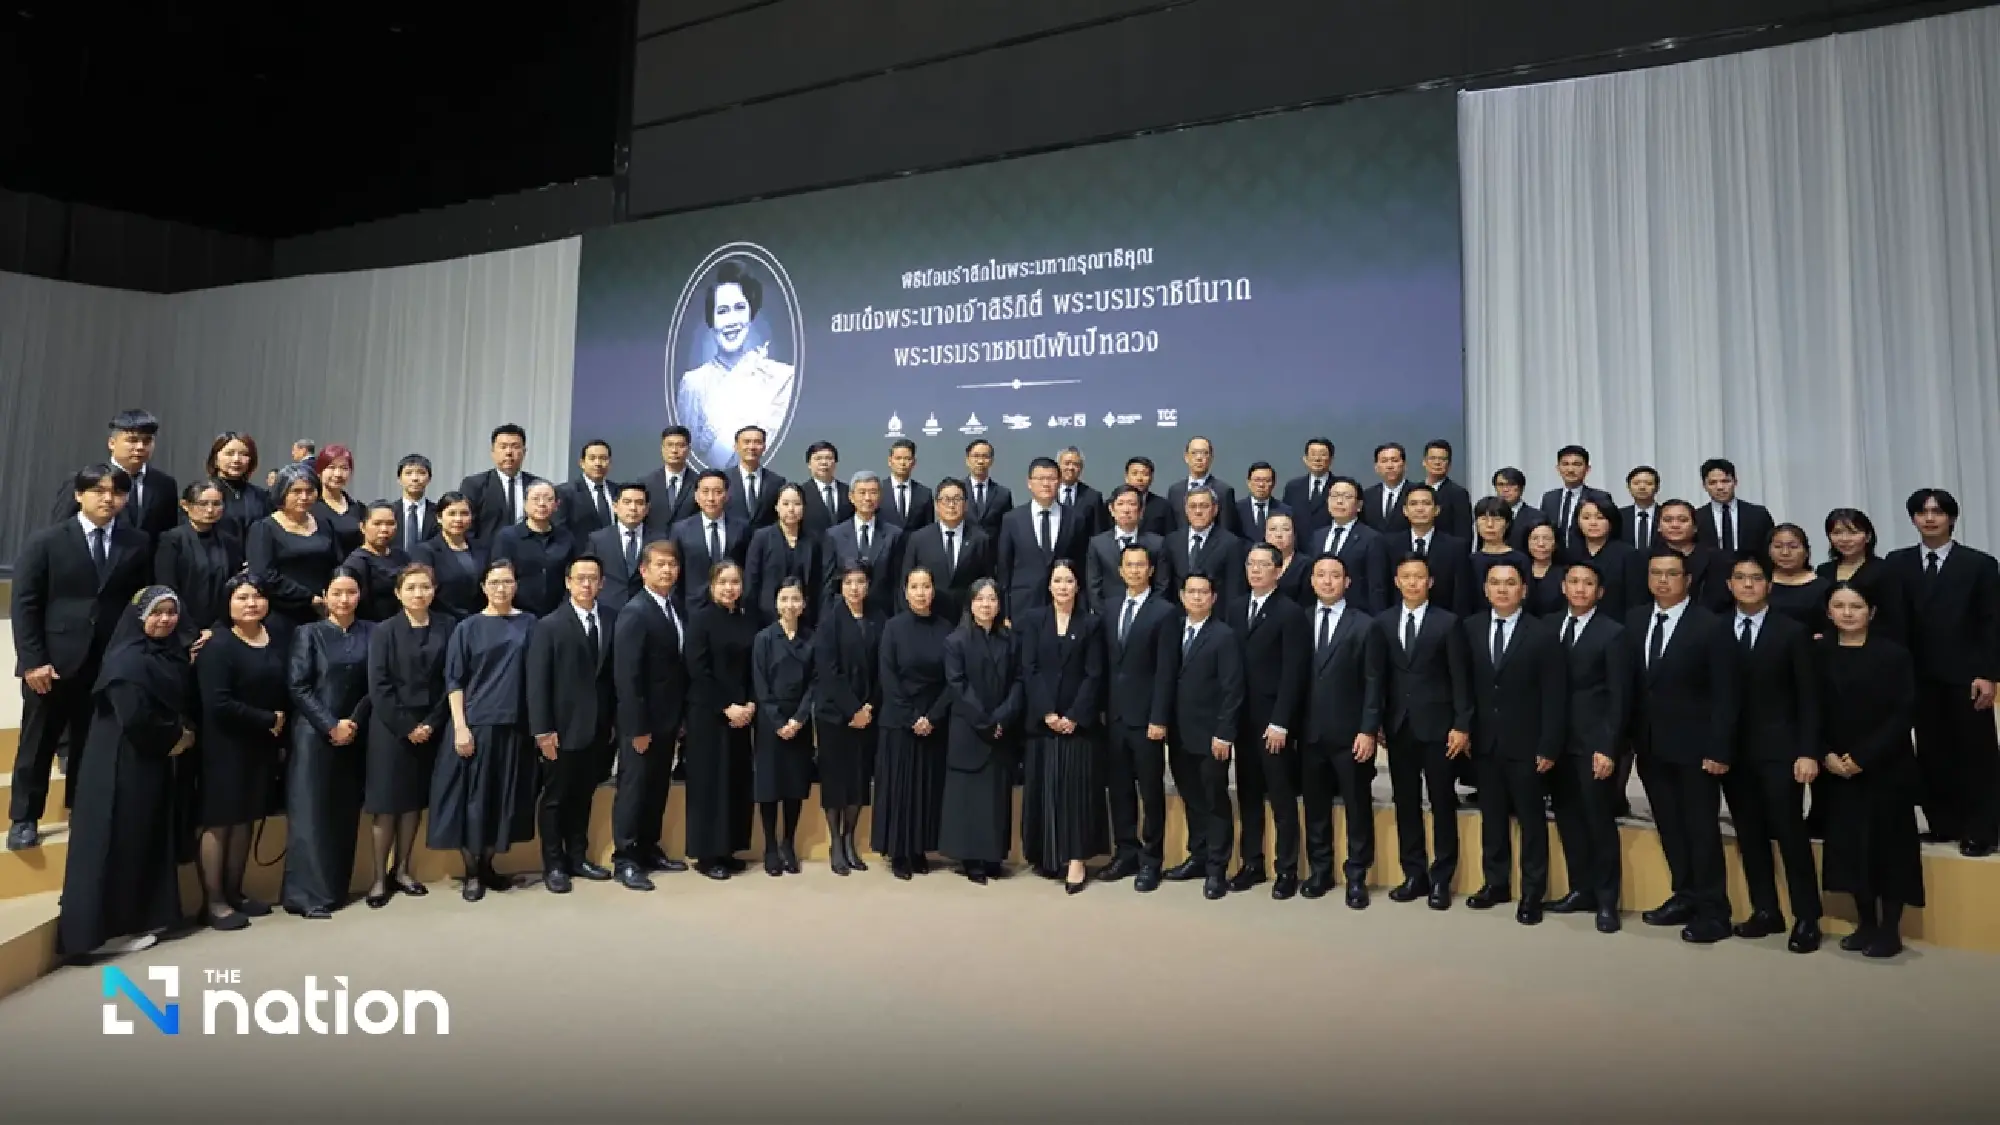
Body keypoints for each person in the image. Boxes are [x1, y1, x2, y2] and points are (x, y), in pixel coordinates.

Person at [10, 464, 153, 850]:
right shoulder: (47, 541)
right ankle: (24, 817)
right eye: (98, 490)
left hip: (107, 661)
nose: (108, 498)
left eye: (117, 492)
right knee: (38, 742)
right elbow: (25, 604)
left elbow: (139, 602)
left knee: (92, 742)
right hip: (53, 662)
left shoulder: (136, 543)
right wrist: (32, 661)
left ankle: (81, 809)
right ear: (79, 495)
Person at [56, 585, 193, 958]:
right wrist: (176, 737)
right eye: (157, 613)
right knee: (115, 841)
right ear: (139, 617)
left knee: (140, 839)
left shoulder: (167, 654)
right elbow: (135, 717)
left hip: (147, 763)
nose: (165, 620)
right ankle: (98, 934)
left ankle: (139, 920)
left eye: (171, 612)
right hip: (121, 765)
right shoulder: (126, 661)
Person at [1628, 549, 1741, 944]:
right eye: (1656, 573)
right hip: (1651, 747)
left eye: (1671, 574)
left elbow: (1726, 696)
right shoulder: (1636, 619)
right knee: (1671, 828)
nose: (1663, 580)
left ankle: (1714, 910)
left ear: (1687, 579)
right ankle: (1685, 895)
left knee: (1701, 830)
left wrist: (1720, 749)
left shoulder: (1710, 626)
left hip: (1697, 750)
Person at [1884, 488, 2000, 857]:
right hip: (1916, 674)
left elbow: (1991, 622)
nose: (1929, 518)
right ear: (1913, 518)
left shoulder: (1979, 563)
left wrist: (1988, 673)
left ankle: (1983, 828)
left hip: (1966, 675)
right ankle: (1943, 823)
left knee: (1976, 752)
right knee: (1931, 751)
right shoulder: (1897, 562)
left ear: (1952, 517)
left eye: (1937, 511)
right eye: (1922, 511)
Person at [1719, 553, 1823, 951]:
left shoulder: (1792, 631)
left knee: (1790, 834)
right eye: (1740, 578)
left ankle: (1807, 917)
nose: (1748, 585)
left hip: (1781, 751)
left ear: (1769, 586)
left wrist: (1808, 751)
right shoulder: (1716, 629)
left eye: (1756, 578)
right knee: (1749, 834)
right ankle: (1766, 910)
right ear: (1729, 585)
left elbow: (1808, 698)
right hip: (1733, 753)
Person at [1817, 582, 1924, 958]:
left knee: (1890, 848)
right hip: (1837, 768)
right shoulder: (1818, 653)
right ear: (1828, 611)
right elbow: (1808, 709)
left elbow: (1904, 712)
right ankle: (1865, 922)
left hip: (1885, 765)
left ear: (1872, 612)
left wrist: (1863, 756)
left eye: (1856, 606)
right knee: (1851, 846)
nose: (1848, 613)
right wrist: (1825, 753)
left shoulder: (1894, 654)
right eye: (1839, 605)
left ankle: (1889, 928)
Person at [1462, 563, 1566, 925]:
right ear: (1485, 589)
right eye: (1494, 583)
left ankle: (1533, 892)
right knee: (1492, 819)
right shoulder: (1470, 628)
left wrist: (1549, 746)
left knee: (1531, 821)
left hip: (1528, 744)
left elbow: (1555, 696)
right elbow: (1465, 688)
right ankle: (1496, 883)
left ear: (1524, 589)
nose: (1502, 590)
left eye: (1510, 583)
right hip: (1485, 743)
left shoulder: (1542, 633)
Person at [430, 559, 539, 901]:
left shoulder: (530, 623)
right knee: (472, 801)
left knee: (502, 799)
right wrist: (460, 726)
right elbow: (454, 680)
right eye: (494, 582)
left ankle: (490, 865)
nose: (501, 588)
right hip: (476, 725)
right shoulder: (469, 627)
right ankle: (472, 872)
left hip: (516, 725)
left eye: (507, 581)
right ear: (483, 587)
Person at [1374, 556, 1473, 909]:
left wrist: (1462, 724)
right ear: (1397, 581)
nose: (1413, 583)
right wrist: (1379, 722)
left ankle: (1441, 878)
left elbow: (1461, 678)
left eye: (1419, 577)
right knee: (1406, 803)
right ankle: (1413, 873)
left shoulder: (1448, 623)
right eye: (1406, 577)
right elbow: (1379, 678)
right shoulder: (1383, 622)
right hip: (1399, 727)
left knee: (1442, 802)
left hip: (1439, 728)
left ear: (1430, 582)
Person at [194, 575, 288, 929]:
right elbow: (217, 703)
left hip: (261, 743)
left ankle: (235, 893)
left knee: (246, 816)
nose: (251, 603)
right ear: (228, 604)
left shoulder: (274, 638)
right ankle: (214, 902)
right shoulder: (217, 645)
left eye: (257, 597)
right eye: (242, 597)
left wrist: (274, 725)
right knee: (221, 822)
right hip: (225, 744)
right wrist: (268, 719)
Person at [281, 568, 374, 919]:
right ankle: (306, 897)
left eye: (351, 592)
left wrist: (352, 721)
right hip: (314, 734)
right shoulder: (307, 633)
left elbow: (374, 683)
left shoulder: (372, 632)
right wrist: (330, 724)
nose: (345, 599)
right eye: (337, 593)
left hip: (354, 731)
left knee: (342, 815)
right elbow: (298, 686)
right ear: (326, 596)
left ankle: (335, 889)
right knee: (311, 815)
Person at [524, 555, 617, 894]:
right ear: (568, 582)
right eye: (580, 578)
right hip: (559, 731)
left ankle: (578, 857)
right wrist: (543, 731)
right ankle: (554, 864)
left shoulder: (610, 618)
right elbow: (537, 683)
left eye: (593, 578)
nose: (587, 584)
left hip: (597, 730)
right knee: (555, 799)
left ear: (602, 583)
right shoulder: (549, 625)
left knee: (584, 796)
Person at [1545, 561, 1628, 934]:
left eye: (1588, 583)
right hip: (1555, 742)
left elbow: (1618, 698)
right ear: (1563, 587)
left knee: (1598, 821)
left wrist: (1609, 747)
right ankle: (1581, 888)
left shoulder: (1613, 633)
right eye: (1574, 582)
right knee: (1568, 818)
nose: (1580, 588)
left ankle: (1607, 899)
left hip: (1594, 743)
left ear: (1600, 591)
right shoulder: (1547, 626)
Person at [1297, 555, 1383, 908]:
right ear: (1312, 581)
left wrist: (1368, 730)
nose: (1327, 581)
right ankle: (1320, 869)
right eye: (1321, 575)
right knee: (1315, 807)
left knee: (1357, 806)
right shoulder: (1299, 621)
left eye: (1335, 576)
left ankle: (1357, 875)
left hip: (1351, 735)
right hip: (1309, 732)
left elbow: (1374, 683)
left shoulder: (1365, 625)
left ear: (1347, 582)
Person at [363, 564, 450, 907]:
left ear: (434, 590)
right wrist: (407, 727)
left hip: (430, 725)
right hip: (390, 729)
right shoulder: (384, 631)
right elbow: (379, 686)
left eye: (425, 587)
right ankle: (377, 878)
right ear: (398, 594)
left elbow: (451, 678)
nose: (419, 593)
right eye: (411, 588)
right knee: (386, 807)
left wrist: (431, 722)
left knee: (413, 803)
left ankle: (402, 870)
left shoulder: (447, 626)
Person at [1018, 559, 1108, 893]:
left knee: (1075, 793)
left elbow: (1094, 673)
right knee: (1046, 788)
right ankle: (1047, 854)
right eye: (1057, 580)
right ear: (1049, 585)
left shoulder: (1091, 624)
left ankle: (1076, 861)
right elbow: (1029, 668)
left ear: (1078, 586)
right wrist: (1047, 712)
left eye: (1069, 581)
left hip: (1078, 725)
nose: (1063, 587)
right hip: (1043, 723)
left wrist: (1073, 715)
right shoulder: (1032, 620)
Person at [1097, 543, 1179, 891]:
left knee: (1150, 791)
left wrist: (1159, 717)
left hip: (1147, 719)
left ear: (1150, 571)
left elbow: (1166, 671)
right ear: (1120, 570)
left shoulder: (1165, 612)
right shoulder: (1108, 607)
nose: (1133, 571)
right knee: (1119, 791)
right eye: (1128, 565)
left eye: (1140, 565)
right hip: (1113, 717)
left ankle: (1151, 859)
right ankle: (1125, 851)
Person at [611, 541, 691, 890]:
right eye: (659, 565)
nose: (667, 570)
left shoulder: (675, 609)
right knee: (634, 788)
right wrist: (636, 727)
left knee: (657, 786)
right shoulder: (635, 611)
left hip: (668, 719)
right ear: (644, 570)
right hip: (641, 723)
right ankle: (625, 858)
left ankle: (648, 847)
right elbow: (627, 677)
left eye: (672, 565)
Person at [1160, 572, 1243, 901]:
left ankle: (1216, 868)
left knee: (1214, 801)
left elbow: (1232, 689)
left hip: (1212, 737)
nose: (1196, 597)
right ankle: (1197, 855)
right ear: (1182, 596)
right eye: (1191, 592)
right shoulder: (1174, 629)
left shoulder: (1223, 636)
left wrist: (1224, 733)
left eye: (1203, 592)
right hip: (1179, 734)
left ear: (1213, 598)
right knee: (1191, 798)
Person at [1232, 544, 1308, 898]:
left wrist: (1281, 722)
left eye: (1264, 565)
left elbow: (1294, 673)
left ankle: (1287, 869)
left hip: (1273, 723)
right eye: (1252, 564)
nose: (1256, 570)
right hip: (1242, 720)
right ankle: (1252, 863)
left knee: (1280, 798)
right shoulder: (1233, 607)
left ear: (1278, 571)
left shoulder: (1290, 612)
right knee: (1247, 797)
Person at [873, 567, 956, 879]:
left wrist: (932, 716)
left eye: (926, 586)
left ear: (934, 591)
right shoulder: (893, 628)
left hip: (933, 719)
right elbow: (888, 677)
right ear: (905, 592)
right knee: (901, 789)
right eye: (915, 587)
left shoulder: (947, 628)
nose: (921, 593)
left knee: (926, 789)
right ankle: (899, 852)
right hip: (899, 719)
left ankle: (920, 848)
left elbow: (952, 679)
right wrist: (911, 717)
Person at [939, 579, 1023, 884]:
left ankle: (993, 856)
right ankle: (971, 858)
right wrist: (986, 721)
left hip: (1002, 729)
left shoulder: (1010, 639)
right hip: (970, 729)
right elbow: (958, 686)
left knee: (996, 797)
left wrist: (1002, 717)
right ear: (971, 604)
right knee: (969, 798)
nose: (986, 605)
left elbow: (1019, 681)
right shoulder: (956, 641)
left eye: (992, 599)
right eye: (980, 599)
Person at [677, 263, 797, 469]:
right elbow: (689, 458)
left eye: (739, 308)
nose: (732, 320)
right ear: (711, 320)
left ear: (751, 313)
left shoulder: (781, 377)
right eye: (722, 311)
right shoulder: (693, 384)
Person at [683, 560, 759, 879]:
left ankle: (727, 850)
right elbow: (698, 671)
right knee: (709, 785)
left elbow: (754, 665)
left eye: (735, 582)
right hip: (710, 715)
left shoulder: (746, 619)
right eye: (723, 582)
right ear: (712, 585)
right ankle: (707, 855)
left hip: (742, 715)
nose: (730, 588)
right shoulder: (700, 620)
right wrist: (726, 706)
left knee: (735, 783)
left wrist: (751, 704)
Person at [814, 564, 884, 875]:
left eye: (860, 582)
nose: (854, 588)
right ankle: (835, 844)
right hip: (835, 715)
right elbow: (828, 672)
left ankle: (850, 839)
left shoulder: (878, 620)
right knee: (836, 781)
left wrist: (868, 707)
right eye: (849, 582)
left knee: (858, 781)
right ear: (840, 586)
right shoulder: (829, 621)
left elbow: (884, 668)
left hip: (867, 715)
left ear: (868, 585)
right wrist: (852, 709)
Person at [751, 578, 816, 875]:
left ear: (803, 604)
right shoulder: (764, 638)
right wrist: (779, 721)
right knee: (769, 786)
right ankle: (769, 846)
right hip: (770, 721)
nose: (790, 605)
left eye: (795, 599)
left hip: (799, 721)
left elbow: (815, 683)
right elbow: (760, 684)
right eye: (784, 599)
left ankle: (788, 842)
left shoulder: (811, 638)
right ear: (776, 603)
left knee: (793, 785)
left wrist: (798, 719)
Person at [246, 462, 340, 648]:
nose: (304, 497)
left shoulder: (324, 523)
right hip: (282, 614)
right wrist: (309, 598)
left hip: (323, 611)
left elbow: (337, 562)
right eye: (296, 491)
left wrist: (333, 595)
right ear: (282, 492)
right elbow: (264, 575)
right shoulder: (264, 528)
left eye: (309, 490)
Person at [52, 410, 179, 541]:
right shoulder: (83, 479)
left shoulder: (165, 484)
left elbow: (168, 534)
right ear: (112, 443)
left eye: (147, 441)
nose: (140, 447)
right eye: (132, 440)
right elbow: (61, 530)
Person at [996, 457, 1082, 621]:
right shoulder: (1012, 519)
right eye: (1040, 479)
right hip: (1022, 605)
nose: (1046, 484)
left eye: (1051, 478)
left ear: (1059, 481)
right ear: (1029, 483)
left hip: (1064, 607)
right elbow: (1004, 568)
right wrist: (1005, 612)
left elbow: (1081, 564)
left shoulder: (1075, 518)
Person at [900, 478, 992, 626]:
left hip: (968, 620)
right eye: (946, 500)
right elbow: (906, 581)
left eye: (957, 499)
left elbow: (987, 581)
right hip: (929, 617)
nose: (951, 505)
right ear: (936, 505)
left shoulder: (980, 539)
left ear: (966, 504)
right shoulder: (919, 538)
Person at [154, 480, 235, 645]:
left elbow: (232, 587)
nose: (210, 510)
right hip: (181, 628)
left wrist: (217, 628)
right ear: (185, 505)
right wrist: (193, 631)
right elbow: (168, 587)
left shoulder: (230, 541)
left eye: (217, 504)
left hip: (220, 629)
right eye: (203, 504)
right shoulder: (171, 540)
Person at [1817, 508, 1906, 644]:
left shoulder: (1885, 569)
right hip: (1833, 645)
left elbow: (1894, 616)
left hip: (1874, 644)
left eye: (1853, 532)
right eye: (1837, 533)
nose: (1845, 539)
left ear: (1868, 536)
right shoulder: (1824, 570)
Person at [1381, 485, 1473, 615]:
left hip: (1443, 623)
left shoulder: (1456, 547)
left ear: (1437, 510)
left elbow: (1461, 595)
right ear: (1405, 510)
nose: (1420, 509)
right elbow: (1382, 588)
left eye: (1426, 503)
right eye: (1413, 504)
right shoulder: (1388, 544)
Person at [746, 483, 827, 628]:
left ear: (804, 507)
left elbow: (817, 583)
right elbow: (752, 581)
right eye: (785, 504)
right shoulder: (762, 537)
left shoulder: (813, 540)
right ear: (776, 507)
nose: (791, 509)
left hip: (805, 621)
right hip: (768, 619)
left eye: (797, 504)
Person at [1161, 486, 1248, 621]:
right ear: (1186, 509)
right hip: (1177, 621)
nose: (1198, 511)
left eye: (1204, 506)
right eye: (1193, 506)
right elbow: (1164, 586)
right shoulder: (1172, 541)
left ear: (1215, 509)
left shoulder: (1231, 543)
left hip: (1215, 622)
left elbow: (1234, 592)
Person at [824, 472, 904, 618]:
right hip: (844, 614)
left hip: (883, 615)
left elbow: (897, 583)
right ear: (851, 497)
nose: (867, 498)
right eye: (862, 492)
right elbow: (829, 584)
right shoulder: (834, 535)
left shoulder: (894, 534)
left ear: (879, 497)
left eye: (873, 492)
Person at [493, 480, 577, 618]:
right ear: (525, 504)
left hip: (557, 615)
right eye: (535, 499)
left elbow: (572, 576)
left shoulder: (566, 537)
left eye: (548, 499)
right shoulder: (507, 537)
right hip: (516, 614)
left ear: (556, 505)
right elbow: (500, 577)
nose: (542, 503)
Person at [672, 470, 750, 611]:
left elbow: (747, 569)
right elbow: (677, 574)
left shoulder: (742, 528)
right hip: (693, 608)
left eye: (717, 492)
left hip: (732, 605)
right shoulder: (680, 530)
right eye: (705, 491)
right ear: (696, 496)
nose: (711, 498)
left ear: (726, 495)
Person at [1310, 477, 1388, 614]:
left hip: (1357, 616)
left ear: (1359, 505)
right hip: (1320, 613)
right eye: (1334, 496)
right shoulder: (1318, 536)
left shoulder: (1372, 538)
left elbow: (1376, 587)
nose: (1339, 501)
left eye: (1347, 497)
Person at [1085, 485, 1165, 614]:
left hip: (1147, 615)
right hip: (1108, 615)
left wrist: (1149, 614)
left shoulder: (1157, 543)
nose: (1126, 510)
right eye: (1121, 504)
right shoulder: (1098, 543)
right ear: (1111, 509)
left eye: (1132, 504)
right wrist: (1105, 616)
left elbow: (1161, 585)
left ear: (1141, 510)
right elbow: (1093, 587)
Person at [409, 491, 489, 621]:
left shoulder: (482, 548)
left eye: (464, 513)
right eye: (452, 514)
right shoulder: (425, 551)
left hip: (479, 621)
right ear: (439, 517)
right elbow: (425, 590)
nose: (458, 519)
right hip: (442, 622)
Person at [457, 424, 542, 543]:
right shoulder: (474, 484)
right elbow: (467, 526)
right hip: (486, 556)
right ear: (493, 452)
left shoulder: (537, 486)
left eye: (515, 446)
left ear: (524, 452)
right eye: (503, 447)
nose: (509, 452)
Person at [1642, 498, 1729, 611]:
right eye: (1668, 520)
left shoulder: (1717, 559)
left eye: (1682, 520)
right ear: (1658, 526)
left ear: (1695, 527)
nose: (1675, 525)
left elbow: (1720, 600)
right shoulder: (1644, 557)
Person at [1561, 498, 1636, 622]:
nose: (1593, 523)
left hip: (1616, 626)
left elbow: (1635, 601)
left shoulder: (1628, 554)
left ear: (1611, 521)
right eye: (1586, 518)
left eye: (1600, 518)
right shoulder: (1570, 554)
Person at [589, 482, 652, 620]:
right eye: (627, 502)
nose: (633, 508)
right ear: (615, 506)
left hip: (647, 613)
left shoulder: (659, 539)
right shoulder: (597, 539)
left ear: (647, 509)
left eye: (639, 503)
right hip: (607, 612)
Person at [206, 431, 270, 565]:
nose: (236, 459)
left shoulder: (261, 495)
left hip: (254, 570)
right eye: (229, 453)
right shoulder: (203, 493)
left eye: (244, 454)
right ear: (215, 459)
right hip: (213, 567)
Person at [342, 502, 410, 622]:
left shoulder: (402, 556)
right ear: (362, 527)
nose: (384, 529)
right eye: (377, 524)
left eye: (390, 524)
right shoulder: (356, 562)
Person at [1539, 445, 1616, 552]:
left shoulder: (1600, 496)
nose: (1570, 470)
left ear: (1587, 469)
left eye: (1577, 464)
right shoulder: (1549, 498)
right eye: (1565, 464)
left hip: (1587, 556)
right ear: (1558, 468)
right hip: (1555, 559)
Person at [1696, 458, 1773, 557]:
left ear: (1735, 482)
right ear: (1704, 486)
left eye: (1725, 481)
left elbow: (1770, 548)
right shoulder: (1697, 517)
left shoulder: (1758, 514)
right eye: (1713, 483)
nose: (1720, 487)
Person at [1765, 524, 1831, 637]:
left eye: (1793, 547)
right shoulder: (1760, 582)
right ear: (1769, 551)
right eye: (1778, 546)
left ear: (1806, 552)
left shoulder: (1822, 586)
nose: (1785, 553)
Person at [1167, 436, 1241, 536]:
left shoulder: (1223, 491)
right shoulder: (1175, 491)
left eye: (1204, 453)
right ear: (1186, 457)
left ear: (1211, 458)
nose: (1199, 458)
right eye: (1194, 453)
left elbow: (1227, 530)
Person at [642, 425, 701, 537]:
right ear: (662, 448)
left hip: (689, 547)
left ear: (689, 449)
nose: (674, 450)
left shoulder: (699, 483)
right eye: (670, 445)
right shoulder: (646, 483)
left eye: (680, 446)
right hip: (656, 548)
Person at [724, 425, 787, 529]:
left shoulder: (777, 482)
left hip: (766, 543)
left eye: (757, 442)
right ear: (736, 447)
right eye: (747, 442)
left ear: (764, 447)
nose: (752, 447)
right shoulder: (723, 479)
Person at [556, 439, 618, 539]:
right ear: (582, 463)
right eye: (592, 458)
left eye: (603, 458)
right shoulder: (564, 492)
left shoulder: (618, 491)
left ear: (610, 463)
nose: (598, 463)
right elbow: (560, 530)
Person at [311, 445, 364, 557]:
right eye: (331, 467)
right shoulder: (309, 507)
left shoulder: (359, 509)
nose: (338, 474)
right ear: (319, 471)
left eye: (344, 468)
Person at [1471, 496, 1531, 592]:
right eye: (1483, 519)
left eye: (1497, 519)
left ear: (1507, 524)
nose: (1490, 524)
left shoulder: (1521, 560)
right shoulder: (1470, 561)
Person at [1420, 439, 1474, 542]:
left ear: (1449, 465)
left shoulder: (1458, 494)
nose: (1437, 462)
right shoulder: (1414, 491)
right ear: (1424, 462)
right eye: (1432, 458)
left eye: (1442, 459)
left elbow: (1463, 534)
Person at [879, 438, 933, 534]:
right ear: (890, 461)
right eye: (898, 458)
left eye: (907, 458)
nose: (902, 463)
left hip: (914, 547)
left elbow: (928, 530)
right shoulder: (878, 490)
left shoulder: (924, 493)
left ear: (914, 462)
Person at [798, 440, 851, 537]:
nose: (823, 462)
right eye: (818, 458)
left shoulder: (849, 491)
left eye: (828, 458)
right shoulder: (800, 493)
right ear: (809, 464)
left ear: (835, 463)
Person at [963, 440, 1013, 539]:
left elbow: (1008, 529)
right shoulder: (958, 491)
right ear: (967, 460)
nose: (980, 461)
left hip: (994, 552)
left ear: (991, 460)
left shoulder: (1003, 494)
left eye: (985, 456)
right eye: (976, 456)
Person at [1055, 446, 1107, 542]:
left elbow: (1098, 532)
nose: (1071, 468)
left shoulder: (1093, 497)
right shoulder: (1049, 493)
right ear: (1058, 466)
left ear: (1081, 468)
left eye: (1075, 464)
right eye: (1067, 463)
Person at [1360, 442, 1412, 534]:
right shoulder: (1367, 495)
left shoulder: (1416, 492)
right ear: (1376, 467)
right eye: (1384, 461)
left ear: (1404, 465)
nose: (1390, 466)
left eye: (1394, 460)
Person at [1118, 455, 1174, 537]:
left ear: (1151, 478)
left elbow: (1170, 537)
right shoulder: (1114, 504)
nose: (1139, 478)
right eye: (1135, 473)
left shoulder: (1163, 506)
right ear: (1126, 477)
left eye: (1145, 474)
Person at [392, 453, 438, 552]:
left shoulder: (438, 512)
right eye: (408, 473)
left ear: (429, 478)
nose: (415, 478)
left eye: (421, 473)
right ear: (399, 479)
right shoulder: (389, 512)